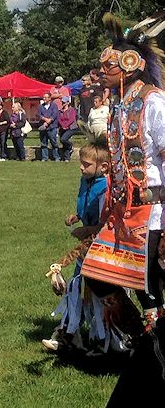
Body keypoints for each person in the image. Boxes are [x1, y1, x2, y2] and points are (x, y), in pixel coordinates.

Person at [80, 13, 165, 403]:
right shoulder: (119, 105)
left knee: (150, 291)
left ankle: (153, 354)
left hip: (152, 212)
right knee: (96, 275)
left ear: (130, 65)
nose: (102, 71)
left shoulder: (153, 103)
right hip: (122, 215)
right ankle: (142, 341)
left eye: (108, 64)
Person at [42, 143, 126, 353]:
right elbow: (87, 206)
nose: (81, 167)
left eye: (86, 164)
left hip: (104, 247)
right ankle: (70, 334)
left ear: (104, 167)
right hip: (88, 245)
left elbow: (108, 221)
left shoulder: (107, 188)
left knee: (101, 292)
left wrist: (86, 230)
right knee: (75, 286)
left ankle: (107, 339)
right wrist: (77, 216)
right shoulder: (87, 181)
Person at [37, 92, 59, 161]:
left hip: (52, 127)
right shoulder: (40, 106)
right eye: (43, 97)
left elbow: (55, 114)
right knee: (44, 143)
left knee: (54, 142)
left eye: (45, 97)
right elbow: (38, 115)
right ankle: (44, 157)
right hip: (43, 127)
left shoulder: (54, 105)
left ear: (50, 98)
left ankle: (56, 157)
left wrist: (49, 121)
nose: (44, 99)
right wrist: (45, 119)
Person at [57, 96, 79, 161]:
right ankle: (66, 158)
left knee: (63, 139)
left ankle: (70, 145)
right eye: (62, 102)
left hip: (71, 127)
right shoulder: (60, 111)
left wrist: (66, 125)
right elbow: (59, 119)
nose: (62, 103)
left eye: (64, 102)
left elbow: (72, 119)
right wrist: (62, 125)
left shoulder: (71, 110)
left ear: (67, 103)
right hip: (62, 128)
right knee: (64, 143)